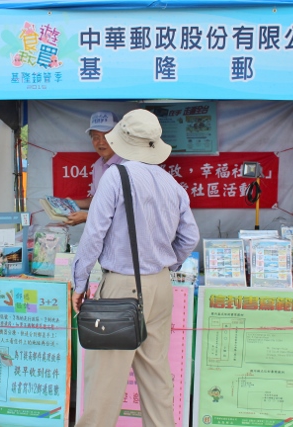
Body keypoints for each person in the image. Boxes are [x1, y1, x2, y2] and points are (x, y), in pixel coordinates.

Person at [71, 109, 200, 427]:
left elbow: (93, 236)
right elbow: (190, 237)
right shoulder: (171, 183)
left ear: (123, 140)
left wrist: (80, 281)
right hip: (159, 286)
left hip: (121, 287)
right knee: (156, 377)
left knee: (104, 381)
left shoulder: (116, 176)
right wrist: (166, 264)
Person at [65, 110, 123, 226]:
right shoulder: (98, 165)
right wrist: (71, 203)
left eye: (106, 136)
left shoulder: (126, 166)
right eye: (96, 137)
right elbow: (98, 200)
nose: (101, 142)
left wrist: (87, 217)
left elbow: (124, 210)